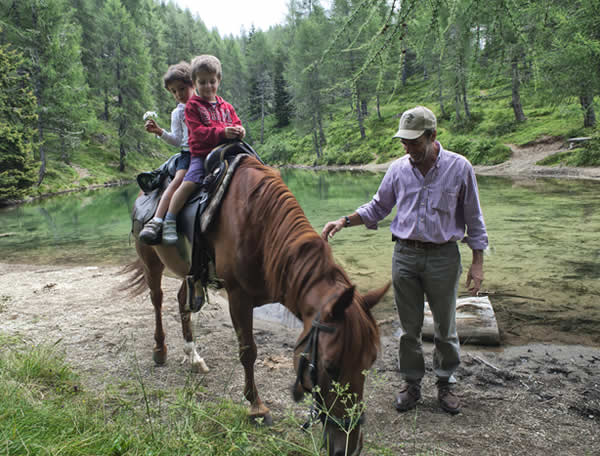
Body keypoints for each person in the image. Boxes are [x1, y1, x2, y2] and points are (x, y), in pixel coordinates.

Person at [321, 105, 488, 415]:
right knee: (408, 329)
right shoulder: (398, 169)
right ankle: (411, 383)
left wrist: (477, 263)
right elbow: (377, 207)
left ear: (432, 136)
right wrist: (344, 220)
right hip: (405, 256)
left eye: (414, 142)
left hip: (443, 257)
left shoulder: (460, 167)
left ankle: (445, 382)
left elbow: (474, 219)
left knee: (446, 327)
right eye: (404, 142)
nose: (408, 148)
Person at [161, 54, 245, 244]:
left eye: (212, 81)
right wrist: (223, 132)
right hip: (202, 155)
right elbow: (197, 132)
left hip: (227, 152)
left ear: (219, 80)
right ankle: (169, 219)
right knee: (189, 183)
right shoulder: (192, 107)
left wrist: (240, 130)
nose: (208, 86)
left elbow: (237, 122)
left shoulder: (226, 106)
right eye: (202, 82)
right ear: (194, 82)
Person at [139, 62, 195, 244]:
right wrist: (159, 132)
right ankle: (157, 220)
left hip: (210, 151)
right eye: (173, 91)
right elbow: (177, 140)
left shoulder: (205, 104)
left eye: (182, 88)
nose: (179, 94)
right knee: (178, 181)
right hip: (188, 155)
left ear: (193, 84)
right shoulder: (177, 113)